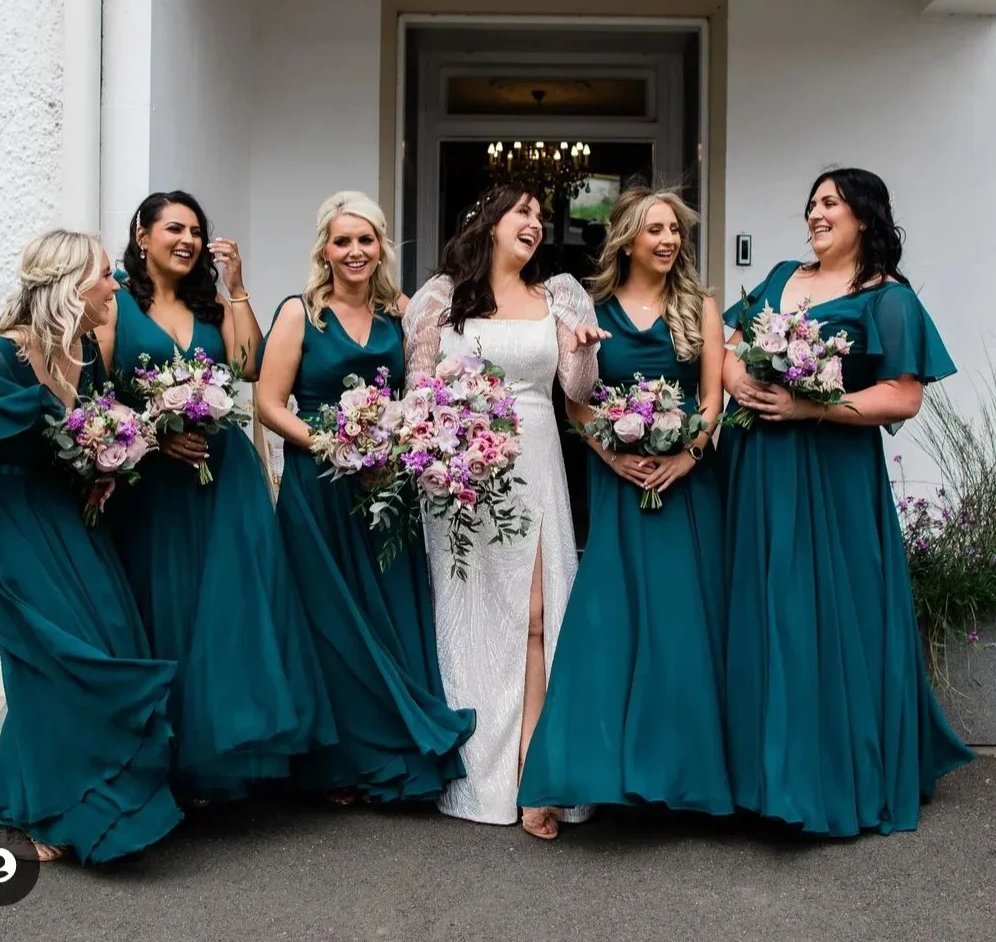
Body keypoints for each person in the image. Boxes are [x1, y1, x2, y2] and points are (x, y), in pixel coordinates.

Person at [720, 167, 974, 836]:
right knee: (766, 607)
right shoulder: (779, 278)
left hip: (833, 473)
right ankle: (762, 778)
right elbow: (729, 347)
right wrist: (740, 382)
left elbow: (904, 396)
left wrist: (813, 406)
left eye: (830, 202)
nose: (815, 212)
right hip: (759, 466)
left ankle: (826, 778)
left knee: (828, 611)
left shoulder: (888, 298)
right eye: (811, 202)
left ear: (864, 215)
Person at [0, 230, 181, 863]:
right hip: (8, 523)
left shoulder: (88, 354)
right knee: (48, 658)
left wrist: (106, 467)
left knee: (108, 643)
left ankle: (79, 798)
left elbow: (88, 439)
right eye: (104, 273)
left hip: (70, 521)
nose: (115, 283)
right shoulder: (2, 359)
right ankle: (23, 814)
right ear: (70, 286)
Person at [97, 191, 333, 804]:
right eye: (174, 229)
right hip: (150, 484)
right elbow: (96, 393)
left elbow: (248, 366)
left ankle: (215, 751)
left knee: (223, 608)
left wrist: (238, 289)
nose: (188, 241)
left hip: (221, 478)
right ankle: (160, 758)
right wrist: (154, 435)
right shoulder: (114, 303)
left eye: (196, 232)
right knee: (160, 603)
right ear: (142, 236)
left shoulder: (210, 304)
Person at [518, 187, 733, 833]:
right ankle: (569, 778)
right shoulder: (593, 310)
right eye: (655, 229)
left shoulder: (700, 307)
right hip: (618, 485)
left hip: (687, 489)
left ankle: (684, 781)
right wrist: (611, 456)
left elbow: (713, 400)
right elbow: (576, 401)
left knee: (684, 627)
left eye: (675, 230)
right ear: (628, 239)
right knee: (608, 624)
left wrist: (685, 457)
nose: (668, 240)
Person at [403, 184, 608, 837]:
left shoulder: (560, 297)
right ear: (488, 222)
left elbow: (578, 391)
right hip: (463, 475)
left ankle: (533, 775)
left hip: (535, 462)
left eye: (540, 215)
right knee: (472, 618)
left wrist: (584, 348)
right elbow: (418, 394)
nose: (535, 223)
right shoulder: (440, 299)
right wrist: (445, 448)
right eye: (523, 211)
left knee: (537, 618)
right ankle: (473, 771)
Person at [256, 190, 474, 804]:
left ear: (381, 247)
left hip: (384, 487)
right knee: (328, 620)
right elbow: (269, 403)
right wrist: (333, 445)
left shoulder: (399, 313)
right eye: (342, 241)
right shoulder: (300, 313)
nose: (355, 251)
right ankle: (336, 765)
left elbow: (430, 384)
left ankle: (389, 753)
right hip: (318, 487)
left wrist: (404, 441)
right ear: (324, 250)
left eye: (366, 240)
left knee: (385, 615)